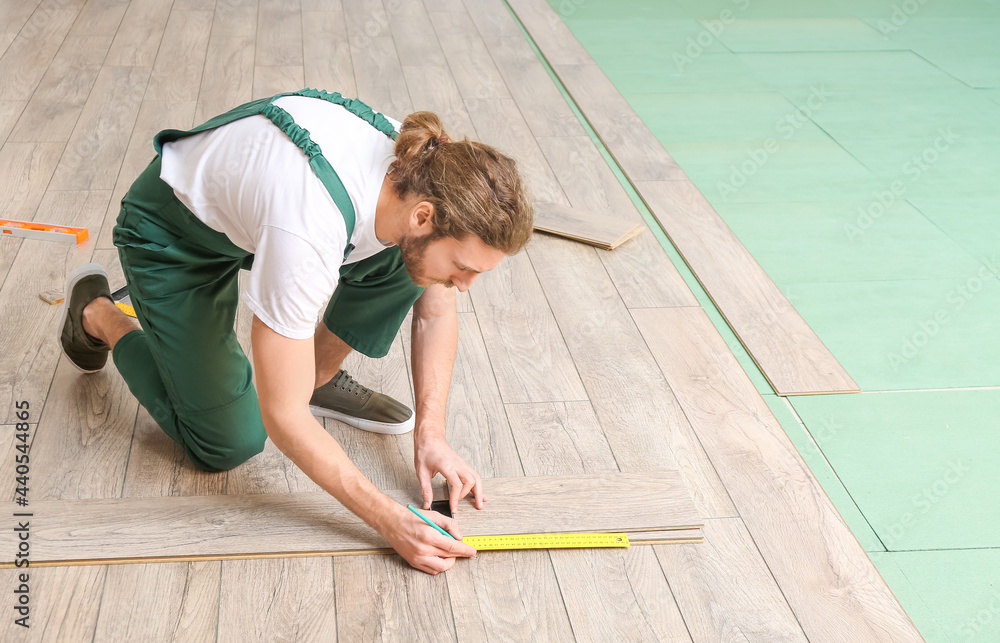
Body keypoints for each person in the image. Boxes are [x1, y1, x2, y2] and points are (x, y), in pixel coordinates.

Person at [56, 89, 533, 574]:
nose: (467, 285)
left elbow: (434, 311)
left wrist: (433, 435)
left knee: (417, 269)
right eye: (465, 266)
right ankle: (97, 313)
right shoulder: (309, 223)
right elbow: (281, 415)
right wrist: (389, 520)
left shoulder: (424, 170)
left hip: (258, 215)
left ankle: (314, 377)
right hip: (171, 238)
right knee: (229, 440)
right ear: (424, 217)